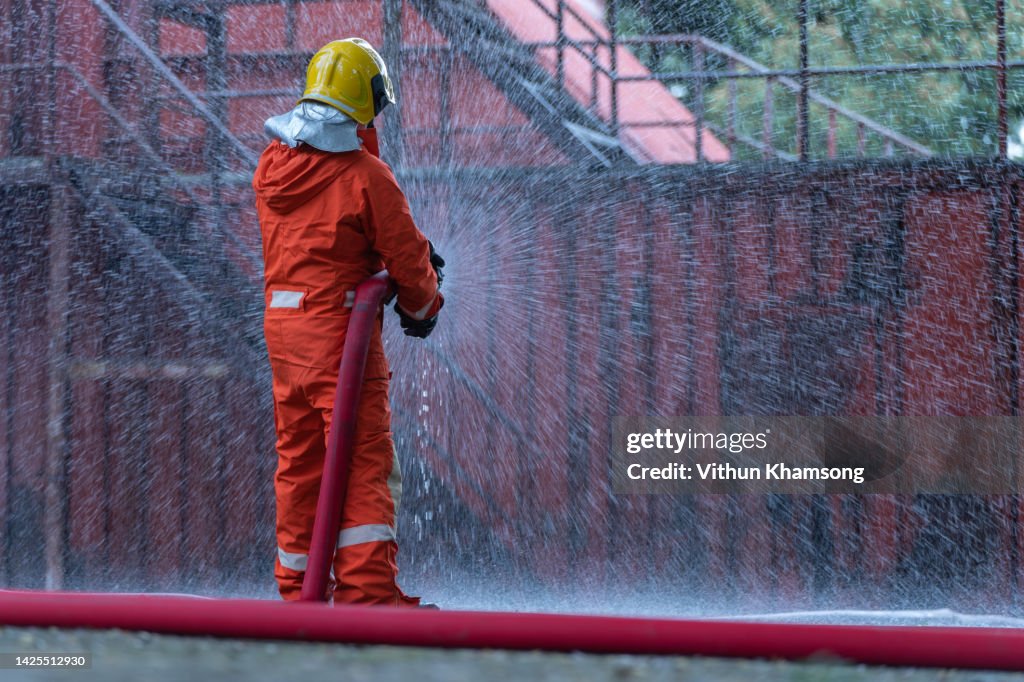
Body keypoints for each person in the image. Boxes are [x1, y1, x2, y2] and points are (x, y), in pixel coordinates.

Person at [252, 38, 444, 606]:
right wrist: (422, 307)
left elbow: (323, 242)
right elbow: (407, 263)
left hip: (284, 337)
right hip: (340, 339)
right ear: (365, 102)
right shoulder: (365, 175)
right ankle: (367, 599)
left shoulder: (271, 166)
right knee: (360, 462)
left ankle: (298, 593)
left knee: (301, 462)